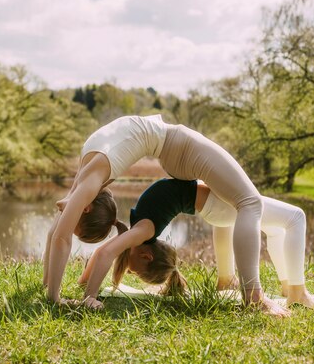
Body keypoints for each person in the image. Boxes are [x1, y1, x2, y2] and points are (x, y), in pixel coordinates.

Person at [44, 114, 278, 313]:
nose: (69, 218)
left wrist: (63, 297)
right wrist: (49, 289)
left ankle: (251, 295)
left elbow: (60, 237)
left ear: (86, 206)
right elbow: (57, 232)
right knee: (249, 203)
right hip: (176, 147)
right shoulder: (91, 174)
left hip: (180, 146)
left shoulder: (91, 179)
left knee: (250, 203)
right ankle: (248, 292)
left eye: (74, 219)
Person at [78, 178, 314, 314]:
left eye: (133, 272)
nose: (129, 270)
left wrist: (85, 285)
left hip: (215, 205)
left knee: (283, 224)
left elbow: (105, 252)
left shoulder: (142, 231)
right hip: (215, 205)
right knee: (294, 217)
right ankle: (297, 293)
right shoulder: (140, 233)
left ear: (145, 256)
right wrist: (88, 289)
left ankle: (288, 288)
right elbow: (105, 253)